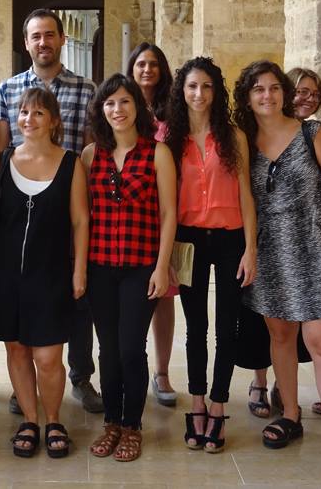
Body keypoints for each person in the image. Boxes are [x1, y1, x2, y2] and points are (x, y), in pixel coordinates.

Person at [233, 60, 321, 488]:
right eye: (258, 89)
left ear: (284, 93)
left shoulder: (312, 133)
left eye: (274, 87)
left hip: (316, 245)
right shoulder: (243, 141)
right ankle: (290, 414)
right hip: (270, 250)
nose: (267, 95)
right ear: (247, 97)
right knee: (281, 335)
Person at [0, 8, 102, 414]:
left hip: (67, 198)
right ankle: (26, 392)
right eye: (36, 36)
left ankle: (81, 376)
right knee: (26, 306)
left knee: (75, 300)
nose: (43, 42)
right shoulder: (8, 89)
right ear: (26, 43)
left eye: (50, 34)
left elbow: (90, 147)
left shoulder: (85, 88)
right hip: (26, 204)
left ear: (61, 39)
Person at [0, 88, 90, 459]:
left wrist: (79, 271)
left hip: (51, 274)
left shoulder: (71, 163)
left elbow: (80, 221)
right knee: (17, 350)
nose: (29, 119)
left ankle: (53, 420)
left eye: (39, 113)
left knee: (47, 357)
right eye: (24, 112)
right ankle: (30, 420)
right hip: (6, 275)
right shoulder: (3, 160)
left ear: (54, 120)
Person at [163, 58, 257, 453]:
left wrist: (251, 248)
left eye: (206, 86)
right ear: (181, 91)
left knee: (227, 326)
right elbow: (166, 202)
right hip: (187, 239)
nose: (199, 94)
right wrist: (166, 254)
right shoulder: (170, 138)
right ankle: (197, 402)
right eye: (191, 86)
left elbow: (246, 195)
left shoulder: (233, 136)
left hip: (230, 237)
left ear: (216, 91)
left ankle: (219, 404)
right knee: (196, 326)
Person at [82, 74, 176, 463]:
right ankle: (112, 423)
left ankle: (132, 425)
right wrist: (80, 269)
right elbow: (83, 216)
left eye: (124, 101)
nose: (117, 109)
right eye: (109, 103)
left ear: (137, 106)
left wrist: (162, 266)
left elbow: (169, 214)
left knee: (131, 348)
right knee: (107, 350)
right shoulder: (91, 155)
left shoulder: (157, 153)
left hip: (141, 267)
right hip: (100, 266)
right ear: (101, 110)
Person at [238, 67, 320, 418]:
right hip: (258, 241)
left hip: (302, 243)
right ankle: (260, 382)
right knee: (261, 322)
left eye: (311, 93)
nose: (303, 98)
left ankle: (285, 394)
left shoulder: (311, 134)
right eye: (299, 90)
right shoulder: (245, 136)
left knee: (290, 330)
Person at [127, 42, 179, 408]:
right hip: (130, 213)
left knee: (164, 294)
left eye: (153, 64)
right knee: (132, 294)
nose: (147, 70)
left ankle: (161, 372)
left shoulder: (173, 112)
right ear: (131, 69)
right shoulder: (121, 105)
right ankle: (133, 366)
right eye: (141, 64)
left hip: (165, 209)